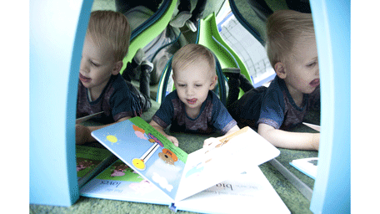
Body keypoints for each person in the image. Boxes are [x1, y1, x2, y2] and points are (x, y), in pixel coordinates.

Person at [226, 10, 320, 150]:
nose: (320, 70)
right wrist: (314, 141)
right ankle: (235, 79)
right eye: (311, 64)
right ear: (282, 70)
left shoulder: (310, 82)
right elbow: (266, 134)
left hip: (261, 95)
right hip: (247, 107)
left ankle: (241, 79)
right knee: (230, 108)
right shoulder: (277, 96)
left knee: (254, 91)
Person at [76, 10, 153, 144]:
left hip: (134, 97)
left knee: (147, 101)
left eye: (94, 63)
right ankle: (132, 67)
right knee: (124, 78)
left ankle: (145, 71)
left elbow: (127, 126)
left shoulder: (119, 92)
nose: (82, 68)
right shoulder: (79, 79)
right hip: (113, 78)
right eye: (79, 57)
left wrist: (88, 134)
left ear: (115, 67)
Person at [149, 44, 240, 146]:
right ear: (174, 81)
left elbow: (236, 132)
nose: (189, 92)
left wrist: (220, 141)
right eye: (182, 85)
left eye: (197, 85)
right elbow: (154, 126)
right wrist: (164, 137)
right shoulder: (172, 101)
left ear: (211, 83)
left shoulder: (213, 104)